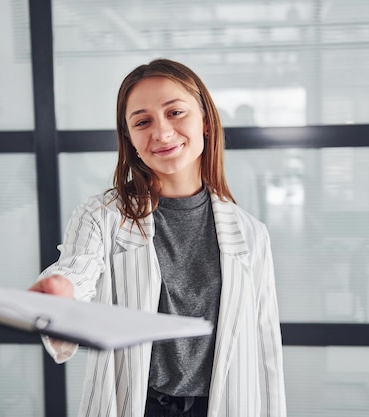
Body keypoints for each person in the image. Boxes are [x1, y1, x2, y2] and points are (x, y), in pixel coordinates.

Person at [29, 58, 286, 417]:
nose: (162, 133)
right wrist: (60, 292)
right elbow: (77, 271)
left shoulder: (250, 233)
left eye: (176, 112)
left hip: (222, 405)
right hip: (139, 406)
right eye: (142, 121)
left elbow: (264, 348)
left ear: (206, 122)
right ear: (130, 139)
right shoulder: (101, 216)